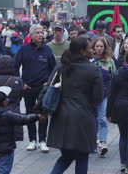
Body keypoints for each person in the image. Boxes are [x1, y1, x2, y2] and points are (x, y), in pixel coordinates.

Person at [48, 37, 104, 174]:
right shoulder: (93, 69)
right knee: (82, 156)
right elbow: (98, 96)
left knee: (66, 156)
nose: (92, 50)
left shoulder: (63, 66)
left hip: (61, 116)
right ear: (82, 51)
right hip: (84, 117)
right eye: (90, 48)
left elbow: (50, 86)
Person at [14, 24, 55, 152]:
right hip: (28, 87)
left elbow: (53, 68)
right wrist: (21, 83)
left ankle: (42, 140)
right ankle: (32, 140)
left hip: (43, 87)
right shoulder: (23, 49)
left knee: (43, 113)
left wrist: (48, 82)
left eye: (42, 32)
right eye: (37, 32)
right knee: (29, 113)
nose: (40, 35)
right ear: (31, 35)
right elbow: (15, 66)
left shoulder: (47, 50)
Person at [0, 86, 40, 174]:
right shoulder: (7, 115)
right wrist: (37, 116)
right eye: (6, 100)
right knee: (3, 171)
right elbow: (23, 119)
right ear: (3, 102)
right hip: (6, 149)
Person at [91, 37, 116, 156]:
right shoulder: (90, 61)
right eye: (97, 46)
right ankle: (93, 142)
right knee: (93, 119)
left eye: (101, 46)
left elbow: (114, 77)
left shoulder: (110, 61)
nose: (99, 49)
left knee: (102, 118)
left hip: (105, 94)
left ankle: (103, 142)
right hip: (91, 94)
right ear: (93, 48)